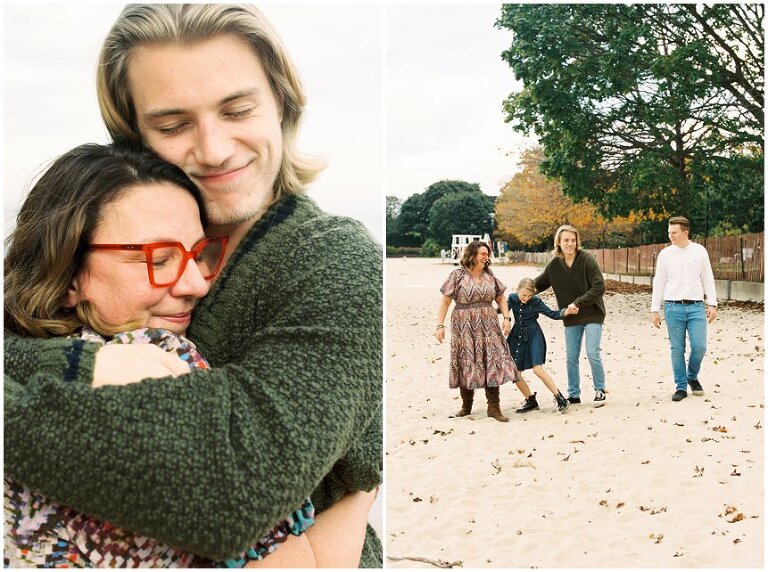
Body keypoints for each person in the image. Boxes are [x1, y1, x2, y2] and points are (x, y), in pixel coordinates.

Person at [4, 4, 382, 566]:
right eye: (173, 125)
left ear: (282, 102)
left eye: (237, 110)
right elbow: (24, 319)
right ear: (133, 134)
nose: (213, 149)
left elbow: (234, 485)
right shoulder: (102, 233)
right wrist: (77, 366)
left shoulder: (333, 258)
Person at [435, 240, 522, 422]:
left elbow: (501, 298)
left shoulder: (489, 275)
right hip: (463, 326)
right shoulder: (457, 275)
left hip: (489, 324)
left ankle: (494, 408)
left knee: (491, 360)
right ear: (472, 254)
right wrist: (440, 325)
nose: (486, 257)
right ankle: (466, 406)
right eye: (483, 253)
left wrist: (507, 319)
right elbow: (445, 302)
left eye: (487, 254)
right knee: (465, 360)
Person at [534, 224, 607, 407]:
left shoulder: (587, 259)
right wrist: (519, 294)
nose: (570, 243)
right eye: (566, 240)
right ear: (559, 242)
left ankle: (599, 389)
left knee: (592, 352)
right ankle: (574, 394)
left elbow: (599, 286)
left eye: (573, 240)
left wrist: (578, 303)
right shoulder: (554, 265)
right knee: (571, 357)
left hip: (592, 314)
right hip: (570, 317)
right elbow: (538, 284)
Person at [650, 216, 718, 402]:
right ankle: (680, 386)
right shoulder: (665, 254)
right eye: (669, 232)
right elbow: (659, 282)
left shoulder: (700, 251)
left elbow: (707, 277)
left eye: (674, 232)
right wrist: (655, 309)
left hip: (696, 306)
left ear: (685, 232)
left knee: (700, 346)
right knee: (677, 348)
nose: (670, 235)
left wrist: (712, 303)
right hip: (673, 307)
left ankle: (692, 376)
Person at [507, 278, 573, 414]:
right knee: (515, 373)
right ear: (517, 290)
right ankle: (530, 401)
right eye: (524, 295)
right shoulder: (512, 298)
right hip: (517, 336)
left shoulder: (536, 302)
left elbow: (553, 314)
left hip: (534, 335)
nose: (526, 298)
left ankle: (560, 398)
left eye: (529, 295)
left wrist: (567, 311)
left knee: (537, 369)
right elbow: (501, 310)